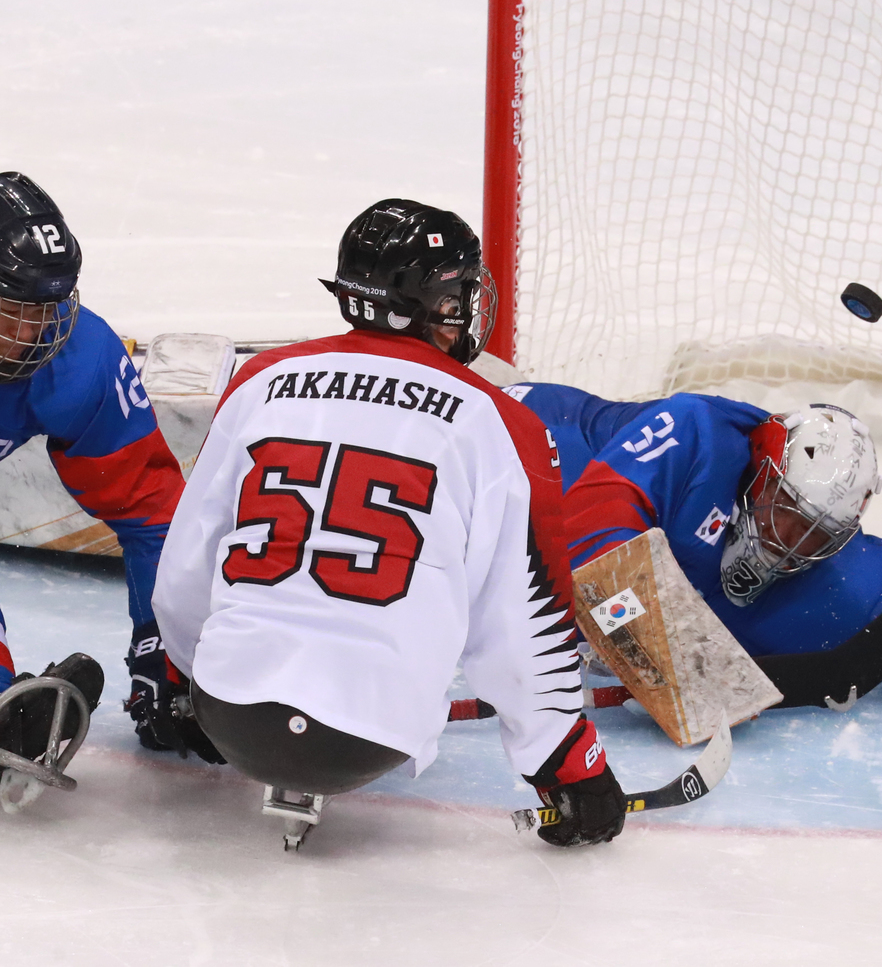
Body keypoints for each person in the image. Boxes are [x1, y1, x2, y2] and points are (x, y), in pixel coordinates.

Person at [151, 199, 626, 847]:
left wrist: (185, 684)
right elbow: (522, 625)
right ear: (432, 305)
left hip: (228, 712)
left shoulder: (261, 379)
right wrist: (570, 768)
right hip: (368, 736)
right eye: (459, 292)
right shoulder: (500, 422)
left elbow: (183, 569)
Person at [504, 382, 882, 708]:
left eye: (813, 533)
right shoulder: (697, 433)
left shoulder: (829, 570)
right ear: (761, 472)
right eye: (784, 511)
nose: (786, 543)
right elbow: (593, 525)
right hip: (508, 432)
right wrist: (649, 645)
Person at [0, 171, 184, 760]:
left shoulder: (77, 355)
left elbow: (151, 510)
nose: (36, 334)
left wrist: (170, 649)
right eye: (12, 311)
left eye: (48, 308)